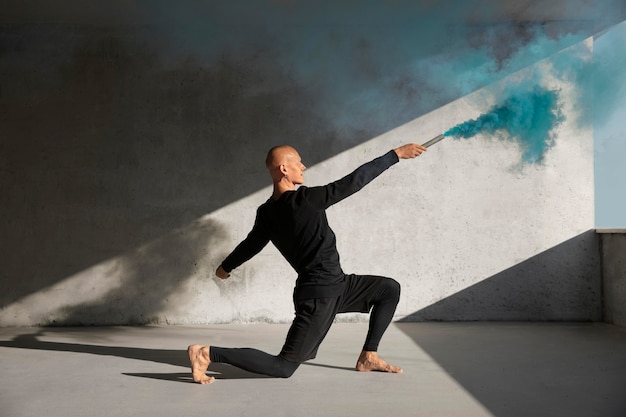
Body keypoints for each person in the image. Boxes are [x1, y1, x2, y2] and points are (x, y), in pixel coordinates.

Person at [188, 142, 427, 384]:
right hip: (320, 296)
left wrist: (224, 268)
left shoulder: (267, 212)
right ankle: (206, 353)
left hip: (338, 286)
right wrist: (395, 155)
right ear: (284, 169)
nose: (303, 166)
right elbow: (354, 181)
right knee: (283, 366)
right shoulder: (306, 199)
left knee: (388, 289)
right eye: (297, 162)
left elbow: (252, 244)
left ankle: (369, 356)